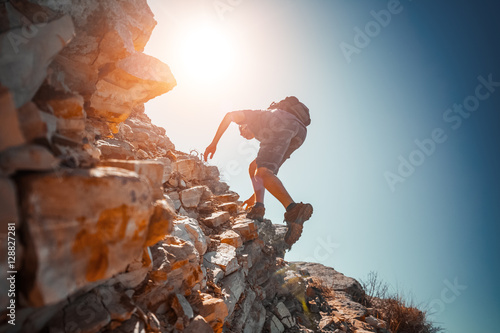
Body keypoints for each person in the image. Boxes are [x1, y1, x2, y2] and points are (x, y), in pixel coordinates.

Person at [204, 96, 313, 246]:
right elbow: (269, 175)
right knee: (256, 168)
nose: (242, 135)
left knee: (261, 172)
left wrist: (213, 143)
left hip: (281, 123)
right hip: (300, 133)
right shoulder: (267, 128)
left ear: (243, 125)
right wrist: (254, 197)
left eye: (241, 131)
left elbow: (229, 115)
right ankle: (258, 206)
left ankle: (293, 209)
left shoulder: (253, 116)